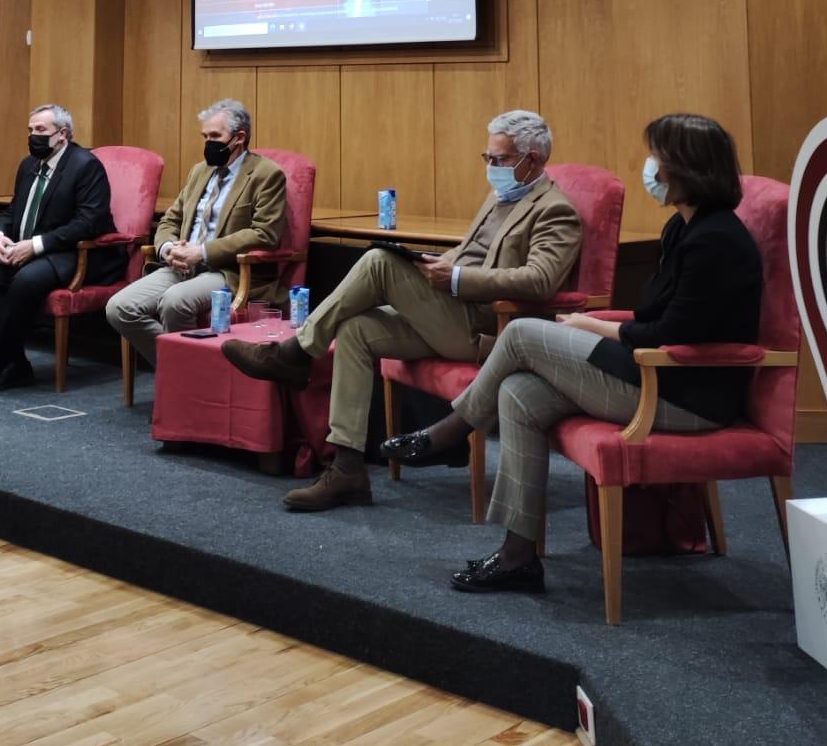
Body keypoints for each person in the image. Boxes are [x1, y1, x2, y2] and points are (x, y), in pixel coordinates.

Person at [388, 112, 763, 597]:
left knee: (522, 332)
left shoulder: (718, 240)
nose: (651, 168)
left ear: (687, 168)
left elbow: (671, 332)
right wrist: (607, 327)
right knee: (521, 393)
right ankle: (518, 556)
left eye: (659, 158)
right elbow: (656, 317)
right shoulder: (682, 229)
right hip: (651, 372)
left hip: (685, 393)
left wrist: (592, 325)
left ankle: (452, 429)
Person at [224, 109, 581, 512]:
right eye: (488, 158)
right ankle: (347, 468)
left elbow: (540, 280)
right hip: (449, 311)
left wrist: (459, 277)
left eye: (498, 160)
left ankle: (295, 353)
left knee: (378, 262)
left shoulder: (555, 210)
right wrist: (432, 262)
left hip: (485, 328)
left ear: (530, 159)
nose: (491, 168)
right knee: (357, 329)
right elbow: (471, 254)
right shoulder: (502, 195)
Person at [0, 104, 114, 391]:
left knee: (25, 280)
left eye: (41, 130)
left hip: (73, 252)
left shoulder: (85, 166)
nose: (33, 136)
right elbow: (14, 209)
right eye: (31, 130)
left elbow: (89, 223)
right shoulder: (28, 165)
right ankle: (15, 365)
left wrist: (35, 246)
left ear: (62, 134)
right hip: (31, 250)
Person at [105, 100, 286, 362]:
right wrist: (168, 248)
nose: (208, 143)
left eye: (215, 136)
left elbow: (265, 234)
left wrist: (201, 252)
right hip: (181, 265)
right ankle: (182, 374)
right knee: (119, 307)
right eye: (205, 136)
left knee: (175, 301)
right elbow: (170, 220)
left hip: (228, 270)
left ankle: (185, 382)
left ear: (239, 137)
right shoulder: (200, 171)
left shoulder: (266, 174)